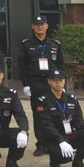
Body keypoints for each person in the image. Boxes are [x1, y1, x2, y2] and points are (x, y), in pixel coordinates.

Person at [18, 14, 64, 156]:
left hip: (52, 84)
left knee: (55, 114)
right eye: (37, 25)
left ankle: (54, 142)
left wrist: (61, 84)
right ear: (33, 27)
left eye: (42, 24)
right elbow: (22, 66)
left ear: (47, 26)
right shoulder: (26, 45)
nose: (40, 27)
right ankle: (41, 145)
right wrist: (25, 84)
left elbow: (61, 65)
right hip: (35, 84)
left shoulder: (55, 44)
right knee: (39, 115)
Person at [36, 69, 84, 167]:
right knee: (62, 156)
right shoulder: (43, 101)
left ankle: (78, 162)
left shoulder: (71, 99)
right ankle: (54, 160)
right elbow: (46, 125)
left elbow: (78, 118)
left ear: (64, 81)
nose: (58, 83)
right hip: (53, 137)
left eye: (60, 80)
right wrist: (61, 141)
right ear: (49, 81)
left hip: (69, 133)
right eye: (55, 80)